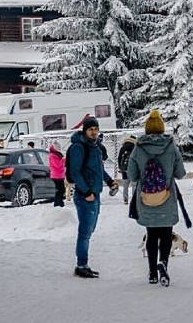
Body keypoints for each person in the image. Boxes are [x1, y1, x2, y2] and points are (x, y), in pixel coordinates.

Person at [128, 109, 186, 286]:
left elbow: (132, 175)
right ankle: (164, 264)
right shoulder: (171, 147)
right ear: (162, 128)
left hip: (146, 198)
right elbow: (180, 173)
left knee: (151, 234)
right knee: (166, 233)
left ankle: (152, 272)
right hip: (167, 197)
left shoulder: (138, 148)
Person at [67, 116, 119, 279]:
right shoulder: (79, 147)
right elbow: (75, 172)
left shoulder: (95, 147)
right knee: (85, 232)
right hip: (85, 196)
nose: (94, 132)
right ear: (85, 130)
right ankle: (81, 265)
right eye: (91, 129)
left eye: (96, 129)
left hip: (95, 194)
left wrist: (109, 181)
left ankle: (83, 264)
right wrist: (85, 191)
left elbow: (98, 170)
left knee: (89, 230)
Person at [117, 135, 137, 205]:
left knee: (125, 184)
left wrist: (120, 167)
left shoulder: (123, 147)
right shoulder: (135, 147)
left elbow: (119, 158)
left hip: (124, 168)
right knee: (134, 184)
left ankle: (125, 198)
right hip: (133, 168)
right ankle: (134, 199)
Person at [48, 141, 66, 207]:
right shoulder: (52, 155)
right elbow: (57, 165)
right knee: (60, 190)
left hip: (59, 175)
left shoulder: (56, 154)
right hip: (56, 175)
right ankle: (58, 203)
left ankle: (59, 202)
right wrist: (63, 160)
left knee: (61, 189)